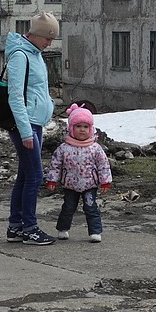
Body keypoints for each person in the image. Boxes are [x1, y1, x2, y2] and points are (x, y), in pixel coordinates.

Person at [4, 11, 59, 245]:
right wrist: (25, 131)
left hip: (33, 121)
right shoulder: (20, 55)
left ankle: (16, 226)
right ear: (36, 34)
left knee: (26, 175)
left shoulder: (34, 54)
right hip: (23, 124)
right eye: (47, 38)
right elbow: (15, 96)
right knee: (35, 176)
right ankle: (30, 228)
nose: (49, 43)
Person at [46, 103, 113, 242]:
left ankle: (95, 232)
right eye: (78, 126)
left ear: (90, 128)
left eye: (85, 127)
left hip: (89, 185)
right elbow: (56, 164)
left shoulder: (95, 148)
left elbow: (103, 165)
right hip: (70, 185)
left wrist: (105, 181)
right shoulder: (64, 148)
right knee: (68, 207)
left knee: (91, 207)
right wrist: (52, 179)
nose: (82, 130)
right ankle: (63, 229)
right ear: (71, 128)